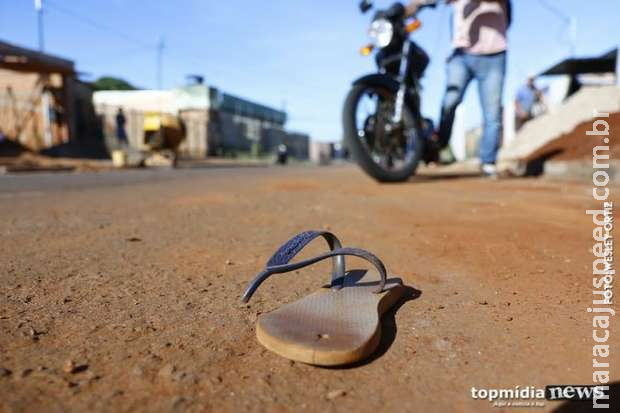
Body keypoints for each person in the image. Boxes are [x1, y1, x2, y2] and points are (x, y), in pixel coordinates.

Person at [407, 0, 512, 177]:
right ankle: (437, 146)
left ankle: (488, 162)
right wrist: (411, 7)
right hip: (461, 55)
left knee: (492, 114)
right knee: (450, 102)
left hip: (494, 56)